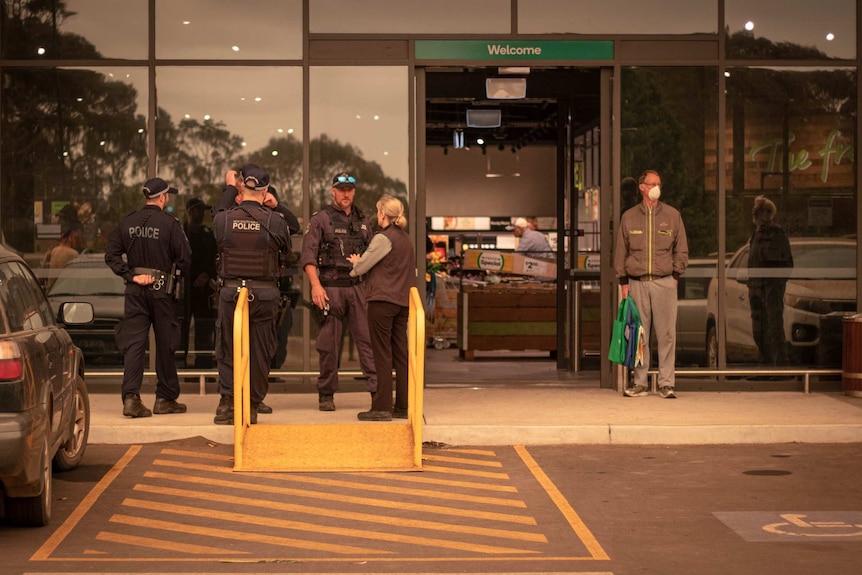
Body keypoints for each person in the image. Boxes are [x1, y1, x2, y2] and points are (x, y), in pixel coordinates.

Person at [105, 177, 191, 418]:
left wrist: (131, 275)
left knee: (134, 345)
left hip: (134, 292)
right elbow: (185, 258)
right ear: (162, 197)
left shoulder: (128, 222)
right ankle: (165, 399)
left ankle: (131, 399)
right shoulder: (170, 224)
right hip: (162, 291)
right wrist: (174, 276)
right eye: (167, 196)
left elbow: (111, 255)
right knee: (166, 344)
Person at [212, 165, 291, 425]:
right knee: (261, 351)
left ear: (241, 187)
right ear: (265, 190)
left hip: (232, 292)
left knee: (227, 348)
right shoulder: (276, 220)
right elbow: (288, 244)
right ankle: (253, 406)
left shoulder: (224, 218)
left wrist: (229, 189)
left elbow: (216, 219)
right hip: (265, 294)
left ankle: (227, 403)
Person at [301, 171, 377, 412]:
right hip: (330, 288)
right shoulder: (321, 219)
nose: (346, 194)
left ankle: (377, 392)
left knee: (367, 341)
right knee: (329, 344)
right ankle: (326, 393)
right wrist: (315, 285)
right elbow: (308, 256)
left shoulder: (364, 221)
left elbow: (374, 255)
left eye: (349, 190)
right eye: (341, 189)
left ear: (354, 192)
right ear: (333, 191)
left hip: (357, 288)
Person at [614, 169, 688, 399]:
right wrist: (623, 282)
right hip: (637, 284)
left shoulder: (672, 215)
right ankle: (640, 383)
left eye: (659, 183)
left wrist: (675, 276)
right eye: (652, 183)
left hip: (664, 282)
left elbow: (681, 249)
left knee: (666, 334)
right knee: (639, 335)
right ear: (642, 187)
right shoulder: (629, 217)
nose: (656, 187)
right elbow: (620, 252)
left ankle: (667, 383)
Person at [347, 195, 416, 421]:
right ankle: (403, 406)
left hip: (382, 301)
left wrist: (356, 262)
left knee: (382, 354)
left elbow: (362, 267)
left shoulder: (382, 238)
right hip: (402, 302)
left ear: (383, 214)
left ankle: (381, 407)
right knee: (400, 354)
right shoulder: (406, 239)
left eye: (378, 211)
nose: (377, 215)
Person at [748, 195, 793, 366]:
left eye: (760, 211)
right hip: (756, 287)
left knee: (773, 328)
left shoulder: (777, 233)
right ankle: (765, 365)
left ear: (768, 213)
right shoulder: (756, 235)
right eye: (757, 212)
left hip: (770, 287)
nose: (757, 215)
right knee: (758, 330)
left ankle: (779, 366)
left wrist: (775, 284)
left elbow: (786, 263)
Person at [181, 197, 217, 368]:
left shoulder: (207, 235)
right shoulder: (180, 234)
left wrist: (207, 275)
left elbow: (215, 260)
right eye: (198, 210)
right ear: (190, 212)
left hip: (203, 292)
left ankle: (203, 367)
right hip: (184, 291)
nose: (202, 214)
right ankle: (179, 365)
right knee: (181, 331)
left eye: (203, 210)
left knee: (204, 331)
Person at [42, 224, 82, 290]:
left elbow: (44, 269)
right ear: (69, 238)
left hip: (51, 288)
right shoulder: (74, 254)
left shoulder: (53, 251)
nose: (76, 241)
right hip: (67, 289)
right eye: (74, 238)